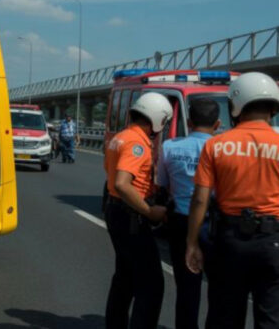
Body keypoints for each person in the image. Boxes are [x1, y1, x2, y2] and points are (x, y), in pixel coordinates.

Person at [186, 72, 279, 328]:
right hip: (272, 242)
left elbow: (200, 200)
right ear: (273, 107)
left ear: (235, 106)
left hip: (230, 241)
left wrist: (192, 243)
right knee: (271, 318)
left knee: (224, 317)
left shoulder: (216, 145)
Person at [104, 92, 172, 329]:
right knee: (151, 284)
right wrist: (149, 211)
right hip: (131, 215)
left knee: (124, 278)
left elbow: (111, 177)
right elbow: (123, 183)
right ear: (157, 119)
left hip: (115, 211)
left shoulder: (120, 137)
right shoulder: (137, 143)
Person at [156, 98, 220, 329]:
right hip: (214, 224)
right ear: (218, 123)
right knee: (219, 289)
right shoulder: (223, 148)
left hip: (180, 222)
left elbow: (162, 183)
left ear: (189, 122)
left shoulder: (170, 147)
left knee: (187, 287)